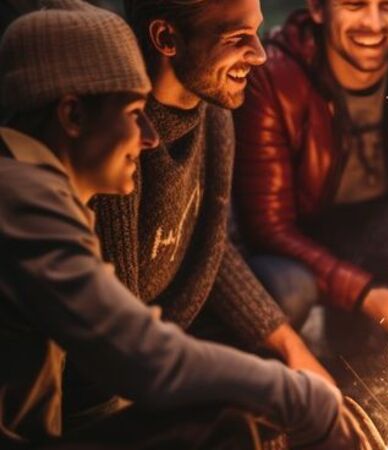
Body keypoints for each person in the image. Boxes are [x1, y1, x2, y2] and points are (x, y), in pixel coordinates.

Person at [0, 2, 355, 448]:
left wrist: (286, 354)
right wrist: (300, 398)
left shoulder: (35, 189)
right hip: (84, 404)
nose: (148, 137)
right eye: (133, 114)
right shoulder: (24, 202)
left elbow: (204, 242)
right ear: (72, 116)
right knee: (232, 420)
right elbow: (135, 355)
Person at [84, 0, 332, 409]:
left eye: (256, 31)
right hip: (114, 355)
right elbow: (116, 329)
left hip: (175, 311)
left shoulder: (213, 111)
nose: (259, 53)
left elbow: (209, 238)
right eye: (237, 38)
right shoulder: (121, 133)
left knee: (288, 291)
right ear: (166, 38)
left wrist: (293, 351)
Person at [231, 0, 388, 371]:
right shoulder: (272, 76)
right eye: (355, 5)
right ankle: (265, 389)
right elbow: (268, 228)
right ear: (317, 10)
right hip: (311, 240)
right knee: (288, 290)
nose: (374, 23)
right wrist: (364, 295)